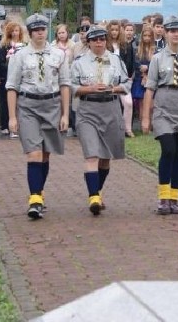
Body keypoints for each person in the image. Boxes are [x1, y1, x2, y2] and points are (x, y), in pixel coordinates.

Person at [6, 14, 70, 219]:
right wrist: (12, 117)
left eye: (43, 29)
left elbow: (65, 85)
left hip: (51, 105)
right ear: (30, 32)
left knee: (46, 153)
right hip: (28, 106)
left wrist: (65, 114)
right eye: (35, 30)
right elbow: (12, 87)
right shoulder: (20, 55)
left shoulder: (59, 55)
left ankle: (39, 193)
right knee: (33, 153)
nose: (40, 33)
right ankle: (34, 199)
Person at [141, 16, 178, 215]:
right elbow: (150, 89)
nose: (176, 34)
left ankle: (174, 197)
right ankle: (163, 197)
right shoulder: (157, 58)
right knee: (168, 149)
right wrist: (146, 117)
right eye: (171, 31)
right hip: (163, 107)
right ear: (165, 34)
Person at [71, 25, 131, 215]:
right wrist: (88, 89)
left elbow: (127, 82)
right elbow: (70, 86)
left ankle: (98, 190)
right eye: (95, 40)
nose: (99, 42)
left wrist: (114, 89)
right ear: (88, 42)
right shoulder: (79, 62)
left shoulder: (115, 60)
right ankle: (94, 197)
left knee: (105, 158)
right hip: (88, 109)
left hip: (111, 107)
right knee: (91, 154)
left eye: (102, 39)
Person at [0, 21, 29, 138]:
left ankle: (20, 126)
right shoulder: (4, 45)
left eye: (17, 30)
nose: (15, 33)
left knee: (20, 102)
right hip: (7, 76)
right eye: (12, 31)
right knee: (6, 102)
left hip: (22, 78)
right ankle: (6, 126)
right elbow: (0, 61)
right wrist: (10, 65)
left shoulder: (25, 44)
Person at [106, 19, 135, 137]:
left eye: (116, 30)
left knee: (128, 103)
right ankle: (112, 129)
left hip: (123, 79)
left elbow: (131, 63)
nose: (114, 32)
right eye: (112, 30)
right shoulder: (105, 46)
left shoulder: (126, 46)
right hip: (109, 79)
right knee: (111, 105)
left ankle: (127, 129)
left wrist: (130, 77)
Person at [132, 25, 155, 123]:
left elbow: (156, 63)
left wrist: (148, 68)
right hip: (139, 78)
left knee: (151, 106)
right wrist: (141, 69)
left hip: (152, 78)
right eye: (145, 36)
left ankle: (151, 126)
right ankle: (143, 128)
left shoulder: (156, 49)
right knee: (142, 105)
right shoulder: (137, 49)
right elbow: (135, 62)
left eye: (149, 36)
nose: (147, 38)